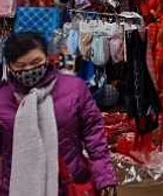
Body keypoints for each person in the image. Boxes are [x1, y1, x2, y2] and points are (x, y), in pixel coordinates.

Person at [0, 32, 117, 196]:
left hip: (69, 183)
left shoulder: (74, 89)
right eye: (20, 65)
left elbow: (94, 134)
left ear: (47, 58)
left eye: (35, 62)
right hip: (16, 186)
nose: (28, 69)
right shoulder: (3, 98)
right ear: (10, 66)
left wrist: (104, 176)